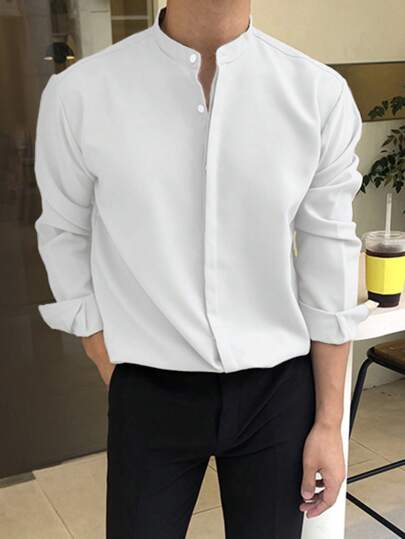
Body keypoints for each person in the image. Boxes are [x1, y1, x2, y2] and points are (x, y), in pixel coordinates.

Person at [34, 1, 372, 537]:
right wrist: (104, 354)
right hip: (148, 386)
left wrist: (329, 422)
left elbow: (328, 255)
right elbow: (64, 232)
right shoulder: (81, 93)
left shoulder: (317, 93)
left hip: (277, 391)